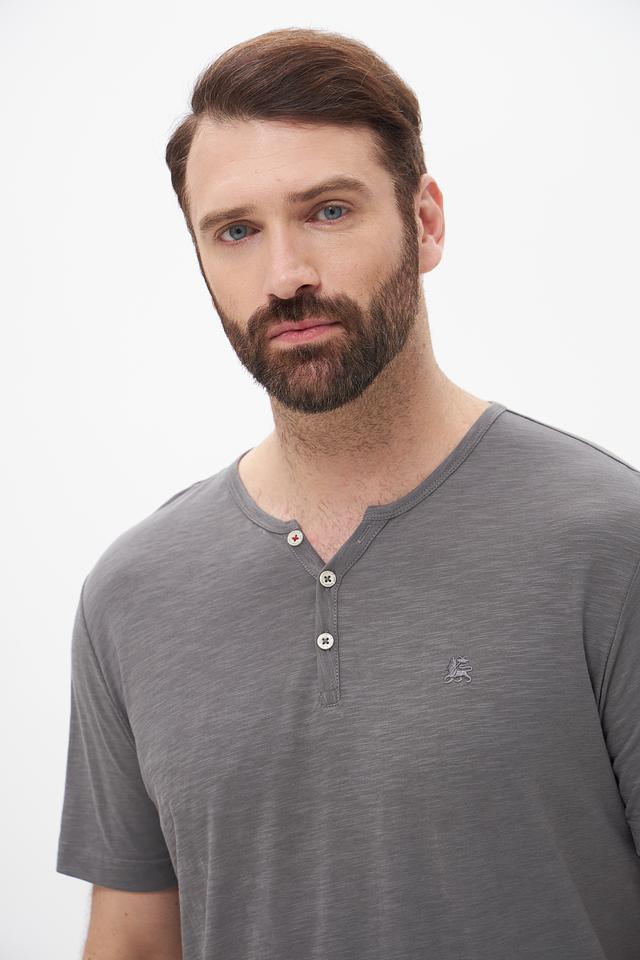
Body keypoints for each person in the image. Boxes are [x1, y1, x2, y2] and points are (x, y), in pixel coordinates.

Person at [56, 26, 640, 960]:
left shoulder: (610, 545)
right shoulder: (133, 594)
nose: (285, 276)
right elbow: (132, 942)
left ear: (426, 222)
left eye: (328, 211)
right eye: (236, 231)